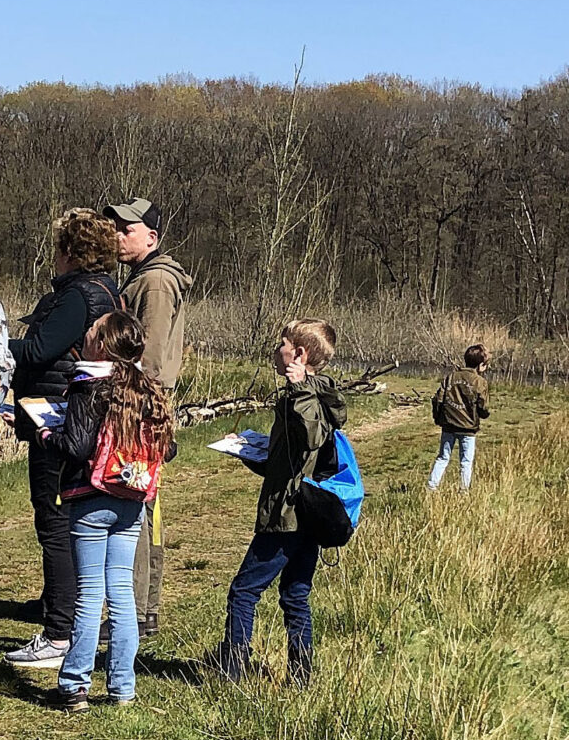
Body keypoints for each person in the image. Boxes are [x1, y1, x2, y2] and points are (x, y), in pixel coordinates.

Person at [3, 208, 122, 669]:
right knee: (68, 522)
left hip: (59, 415)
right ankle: (75, 623)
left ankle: (60, 632)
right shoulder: (106, 291)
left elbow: (38, 349)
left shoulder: (78, 296)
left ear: (71, 253)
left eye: (57, 249)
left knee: (53, 522)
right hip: (75, 413)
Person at [40, 312, 174, 711]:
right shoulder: (146, 390)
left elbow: (77, 447)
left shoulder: (89, 386)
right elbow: (168, 449)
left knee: (88, 594)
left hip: (89, 497)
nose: (87, 332)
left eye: (94, 330)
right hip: (132, 500)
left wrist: (47, 434)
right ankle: (122, 687)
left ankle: (74, 684)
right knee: (120, 593)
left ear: (101, 345)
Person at [207, 319, 346, 688]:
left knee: (243, 592)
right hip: (308, 511)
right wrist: (248, 451)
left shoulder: (305, 395)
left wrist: (298, 388)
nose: (276, 348)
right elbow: (293, 459)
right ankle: (301, 679)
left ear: (299, 354)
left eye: (282, 343)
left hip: (288, 515)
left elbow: (313, 436)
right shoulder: (310, 394)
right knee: (295, 594)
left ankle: (231, 674)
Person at [108, 196, 188, 637]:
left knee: (136, 504)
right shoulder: (143, 277)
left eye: (128, 229)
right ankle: (141, 607)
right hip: (142, 402)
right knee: (140, 503)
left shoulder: (155, 282)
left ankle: (138, 609)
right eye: (117, 228)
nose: (119, 236)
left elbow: (151, 356)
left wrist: (139, 409)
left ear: (152, 237)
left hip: (143, 405)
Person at [428, 344, 491, 490]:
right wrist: (483, 415)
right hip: (468, 429)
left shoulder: (450, 377)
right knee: (466, 462)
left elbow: (438, 400)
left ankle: (431, 487)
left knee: (443, 458)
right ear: (481, 365)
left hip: (448, 426)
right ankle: (463, 491)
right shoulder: (480, 382)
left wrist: (438, 419)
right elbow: (483, 407)